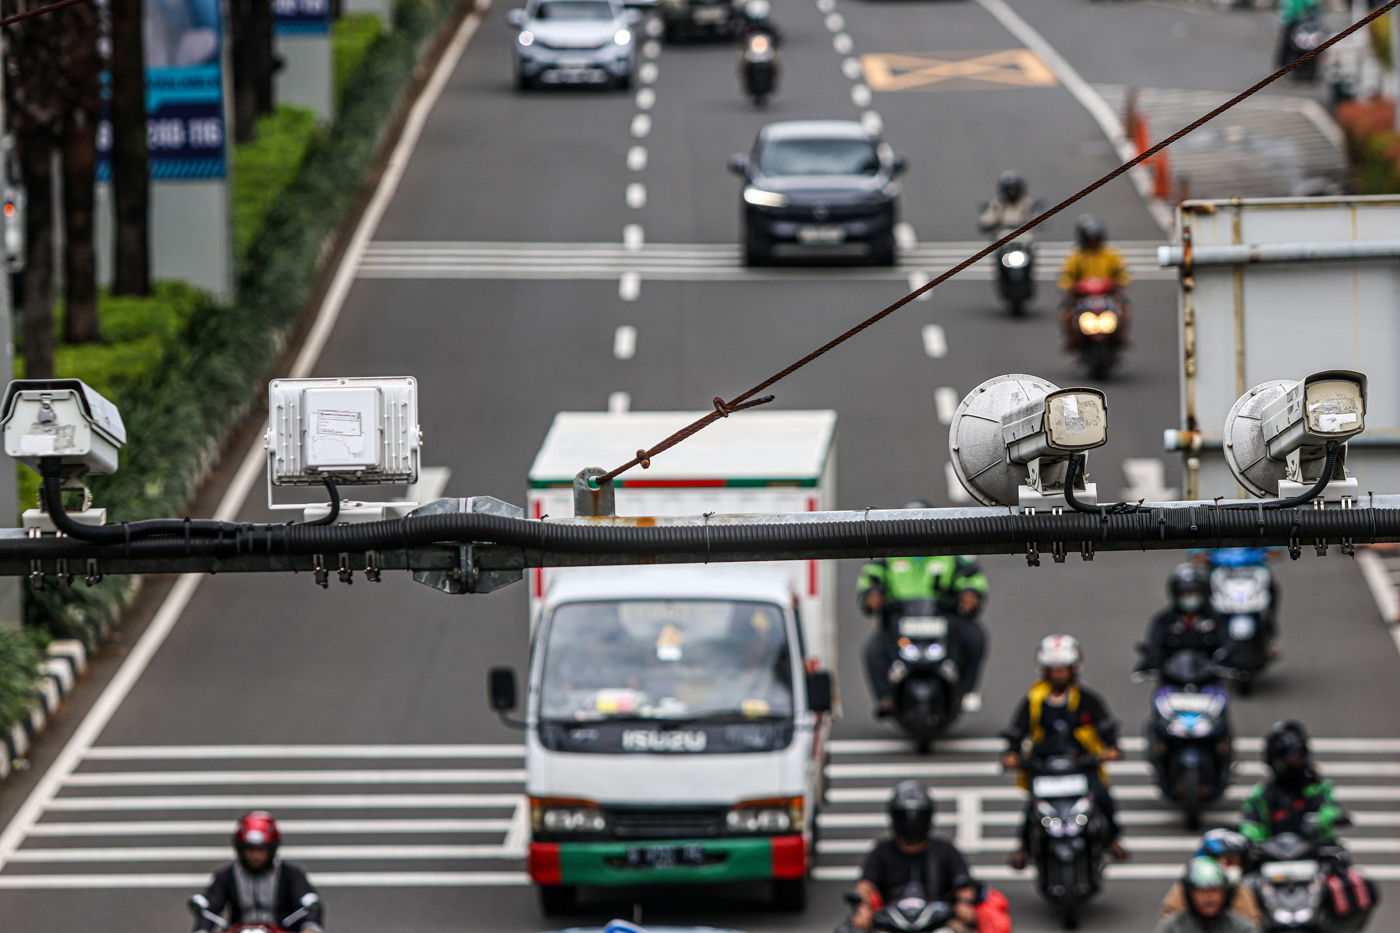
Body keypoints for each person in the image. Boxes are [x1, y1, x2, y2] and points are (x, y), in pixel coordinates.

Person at [1000, 634, 1127, 870]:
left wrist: (1111, 748)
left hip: (1080, 764)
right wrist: (1011, 753)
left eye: (1063, 669)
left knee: (1102, 796)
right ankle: (1024, 845)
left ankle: (1112, 838)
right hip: (1045, 766)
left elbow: (1105, 727)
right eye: (1054, 670)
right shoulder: (1034, 701)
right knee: (1034, 806)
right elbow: (1018, 730)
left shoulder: (1087, 700)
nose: (1059, 675)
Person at [858, 512, 990, 715]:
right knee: (872, 650)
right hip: (899, 618)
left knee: (975, 638)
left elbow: (972, 577)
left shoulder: (949, 553)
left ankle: (964, 692)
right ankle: (885, 698)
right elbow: (870, 576)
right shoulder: (889, 555)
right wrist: (872, 594)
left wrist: (970, 593)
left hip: (942, 616)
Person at [849, 781, 980, 933]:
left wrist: (963, 903)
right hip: (891, 923)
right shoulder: (882, 851)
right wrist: (863, 908)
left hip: (939, 921)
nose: (911, 823)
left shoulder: (945, 850)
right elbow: (866, 884)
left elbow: (964, 884)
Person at [192, 812, 324, 932]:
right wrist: (202, 929)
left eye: (261, 850)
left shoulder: (291, 874)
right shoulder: (226, 876)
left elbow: (308, 903)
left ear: (272, 849)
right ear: (240, 849)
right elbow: (210, 907)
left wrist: (309, 926)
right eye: (249, 849)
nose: (255, 855)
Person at [1240, 721, 1343, 843]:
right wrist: (1250, 837)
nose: (1295, 764)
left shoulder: (1316, 788)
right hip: (1272, 852)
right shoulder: (1262, 795)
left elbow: (1329, 809)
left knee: (1338, 853)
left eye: (1299, 758)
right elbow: (1251, 824)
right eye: (1288, 759)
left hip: (1314, 847)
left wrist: (1325, 819)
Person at [1161, 830, 1261, 926]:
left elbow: (1252, 924)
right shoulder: (1183, 890)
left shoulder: (1241, 892)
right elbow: (1169, 921)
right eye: (1229, 861)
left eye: (1237, 863)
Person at [1139, 563, 1224, 671]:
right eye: (1185, 593)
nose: (1190, 597)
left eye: (1194, 592)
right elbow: (1154, 647)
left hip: (1209, 677)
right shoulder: (1165, 621)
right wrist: (1150, 662)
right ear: (1175, 594)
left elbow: (1229, 646)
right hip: (1172, 678)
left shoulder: (1215, 619)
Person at [1152, 857, 1259, 933]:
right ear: (1189, 894)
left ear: (1225, 893)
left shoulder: (1241, 928)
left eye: (1214, 890)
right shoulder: (1173, 928)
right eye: (1202, 891)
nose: (1209, 897)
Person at [1059, 214, 1131, 297]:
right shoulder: (1076, 254)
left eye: (1095, 239)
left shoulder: (1111, 252)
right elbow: (1067, 274)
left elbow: (1122, 271)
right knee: (1067, 304)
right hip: (1082, 295)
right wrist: (1070, 286)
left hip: (1108, 294)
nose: (1093, 243)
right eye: (1089, 240)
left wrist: (1119, 284)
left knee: (1122, 302)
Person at [978, 171, 1033, 239]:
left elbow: (1033, 219)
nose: (1012, 193)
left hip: (1022, 236)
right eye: (1010, 190)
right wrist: (988, 224)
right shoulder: (997, 204)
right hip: (1002, 236)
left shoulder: (1026, 203)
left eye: (1014, 190)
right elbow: (988, 219)